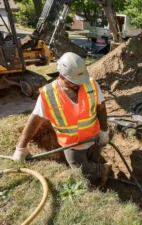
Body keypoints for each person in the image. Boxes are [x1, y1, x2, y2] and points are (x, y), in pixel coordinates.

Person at [12, 52, 111, 187]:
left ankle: (99, 181)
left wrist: (103, 131)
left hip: (93, 138)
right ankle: (102, 172)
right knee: (82, 172)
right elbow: (35, 120)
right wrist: (21, 147)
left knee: (94, 162)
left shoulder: (91, 84)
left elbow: (101, 108)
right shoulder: (48, 94)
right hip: (72, 145)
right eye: (74, 82)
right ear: (62, 76)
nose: (79, 85)